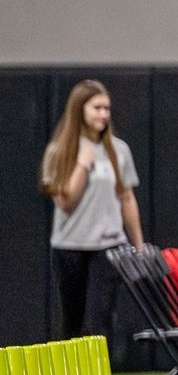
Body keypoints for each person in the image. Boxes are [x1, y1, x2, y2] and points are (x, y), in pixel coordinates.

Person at [39, 79, 144, 349]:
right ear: (79, 110)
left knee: (99, 319)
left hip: (108, 246)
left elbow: (127, 198)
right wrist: (82, 166)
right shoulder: (59, 152)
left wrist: (138, 244)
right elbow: (66, 202)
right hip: (70, 246)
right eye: (96, 107)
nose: (104, 114)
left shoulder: (118, 150)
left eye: (107, 108)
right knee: (71, 320)